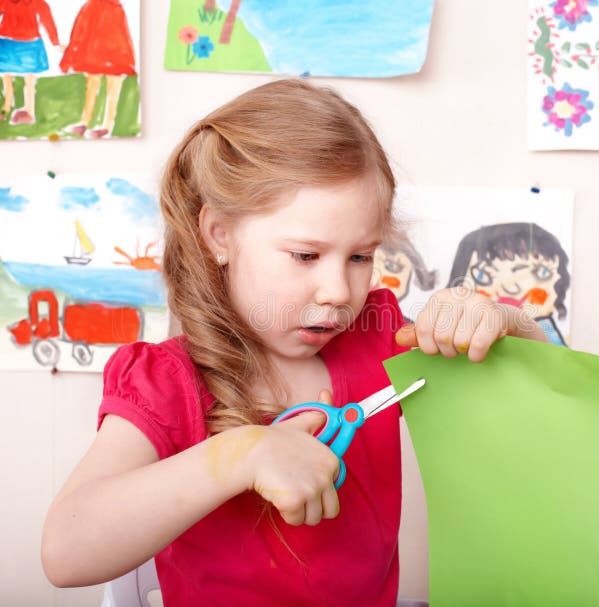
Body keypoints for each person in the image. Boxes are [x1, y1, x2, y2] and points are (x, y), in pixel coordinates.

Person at [41, 79, 546, 606]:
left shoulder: (380, 339)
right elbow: (65, 552)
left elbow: (540, 403)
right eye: (306, 256)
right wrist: (237, 455)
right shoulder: (167, 383)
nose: (337, 291)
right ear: (219, 236)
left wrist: (500, 323)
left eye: (359, 257)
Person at [447, 222, 571, 346]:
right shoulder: (452, 331)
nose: (511, 288)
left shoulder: (550, 337)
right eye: (483, 275)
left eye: (540, 272)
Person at [59, 0, 136, 138]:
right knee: (95, 88)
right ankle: (89, 122)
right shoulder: (93, 6)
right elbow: (79, 32)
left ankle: (103, 125)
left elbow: (124, 35)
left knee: (105, 89)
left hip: (110, 57)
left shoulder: (112, 8)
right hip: (98, 57)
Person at [0, 0, 61, 125]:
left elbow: (47, 21)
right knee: (10, 79)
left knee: (26, 81)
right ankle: (7, 107)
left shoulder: (37, 3)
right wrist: (55, 42)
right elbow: (47, 21)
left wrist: (55, 42)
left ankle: (27, 111)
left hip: (27, 44)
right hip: (13, 43)